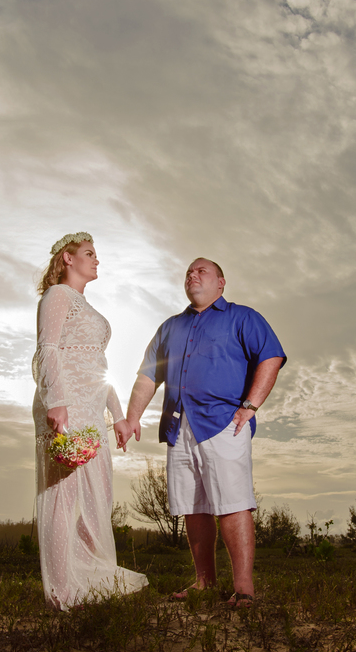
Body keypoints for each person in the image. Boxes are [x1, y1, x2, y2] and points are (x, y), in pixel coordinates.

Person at [120, 258, 285, 608]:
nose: (192, 276)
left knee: (234, 503)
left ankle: (244, 589)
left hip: (224, 424)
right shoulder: (170, 327)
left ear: (221, 283)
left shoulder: (243, 318)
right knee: (193, 508)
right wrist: (132, 417)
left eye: (201, 271)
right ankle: (204, 582)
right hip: (179, 427)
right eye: (188, 273)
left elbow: (270, 357)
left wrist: (250, 406)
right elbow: (148, 376)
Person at [32, 232, 148, 610]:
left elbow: (99, 368)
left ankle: (91, 575)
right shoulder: (57, 296)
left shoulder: (84, 304)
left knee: (98, 494)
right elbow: (48, 348)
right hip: (66, 405)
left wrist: (117, 415)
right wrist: (57, 400)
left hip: (91, 408)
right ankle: (62, 590)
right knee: (63, 495)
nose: (97, 261)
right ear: (67, 258)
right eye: (89, 254)